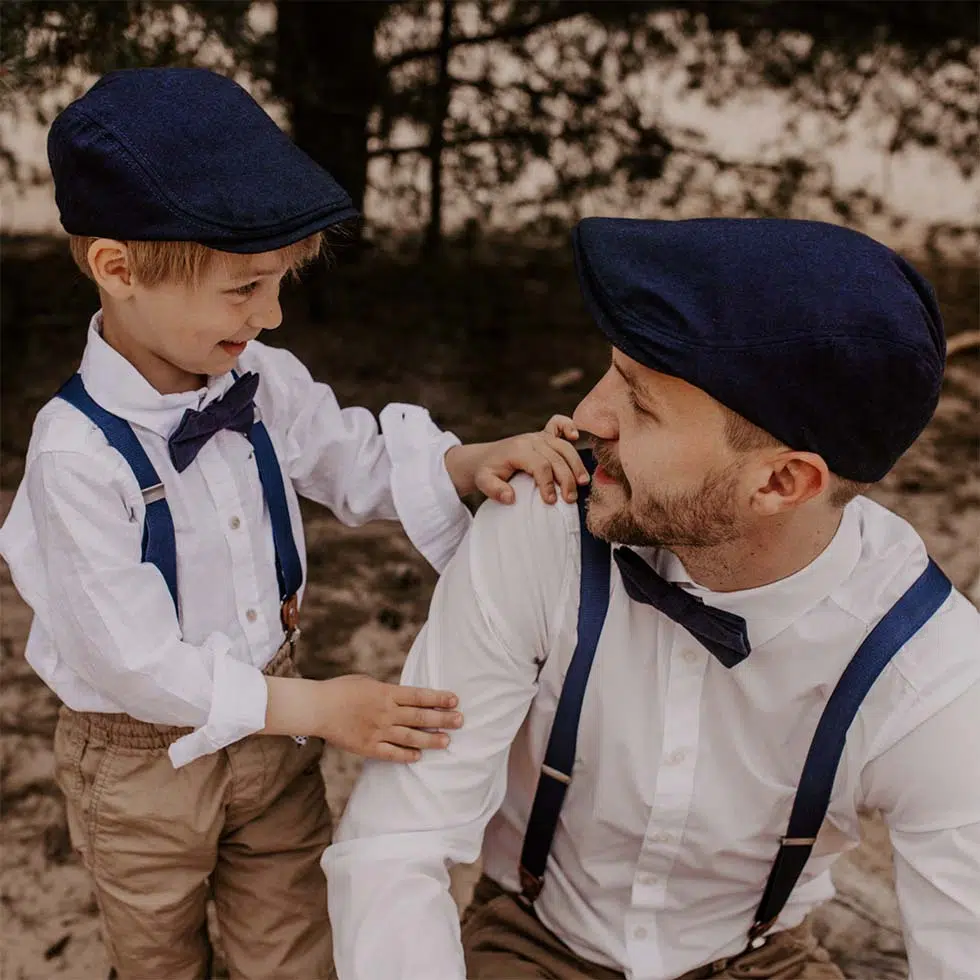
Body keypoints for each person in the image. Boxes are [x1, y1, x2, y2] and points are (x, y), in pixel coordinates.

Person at [0, 67, 588, 980]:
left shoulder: (258, 378)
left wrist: (463, 465)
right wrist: (316, 708)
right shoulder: (76, 456)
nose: (271, 315)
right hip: (138, 768)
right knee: (158, 953)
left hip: (273, 734)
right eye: (245, 289)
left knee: (295, 943)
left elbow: (345, 454)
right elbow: (132, 658)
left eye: (278, 285)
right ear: (117, 268)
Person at [325, 217, 980, 980]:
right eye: (612, 371)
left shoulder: (930, 672)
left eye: (640, 403)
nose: (587, 418)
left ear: (781, 482)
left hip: (759, 960)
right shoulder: (542, 524)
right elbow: (397, 841)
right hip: (532, 938)